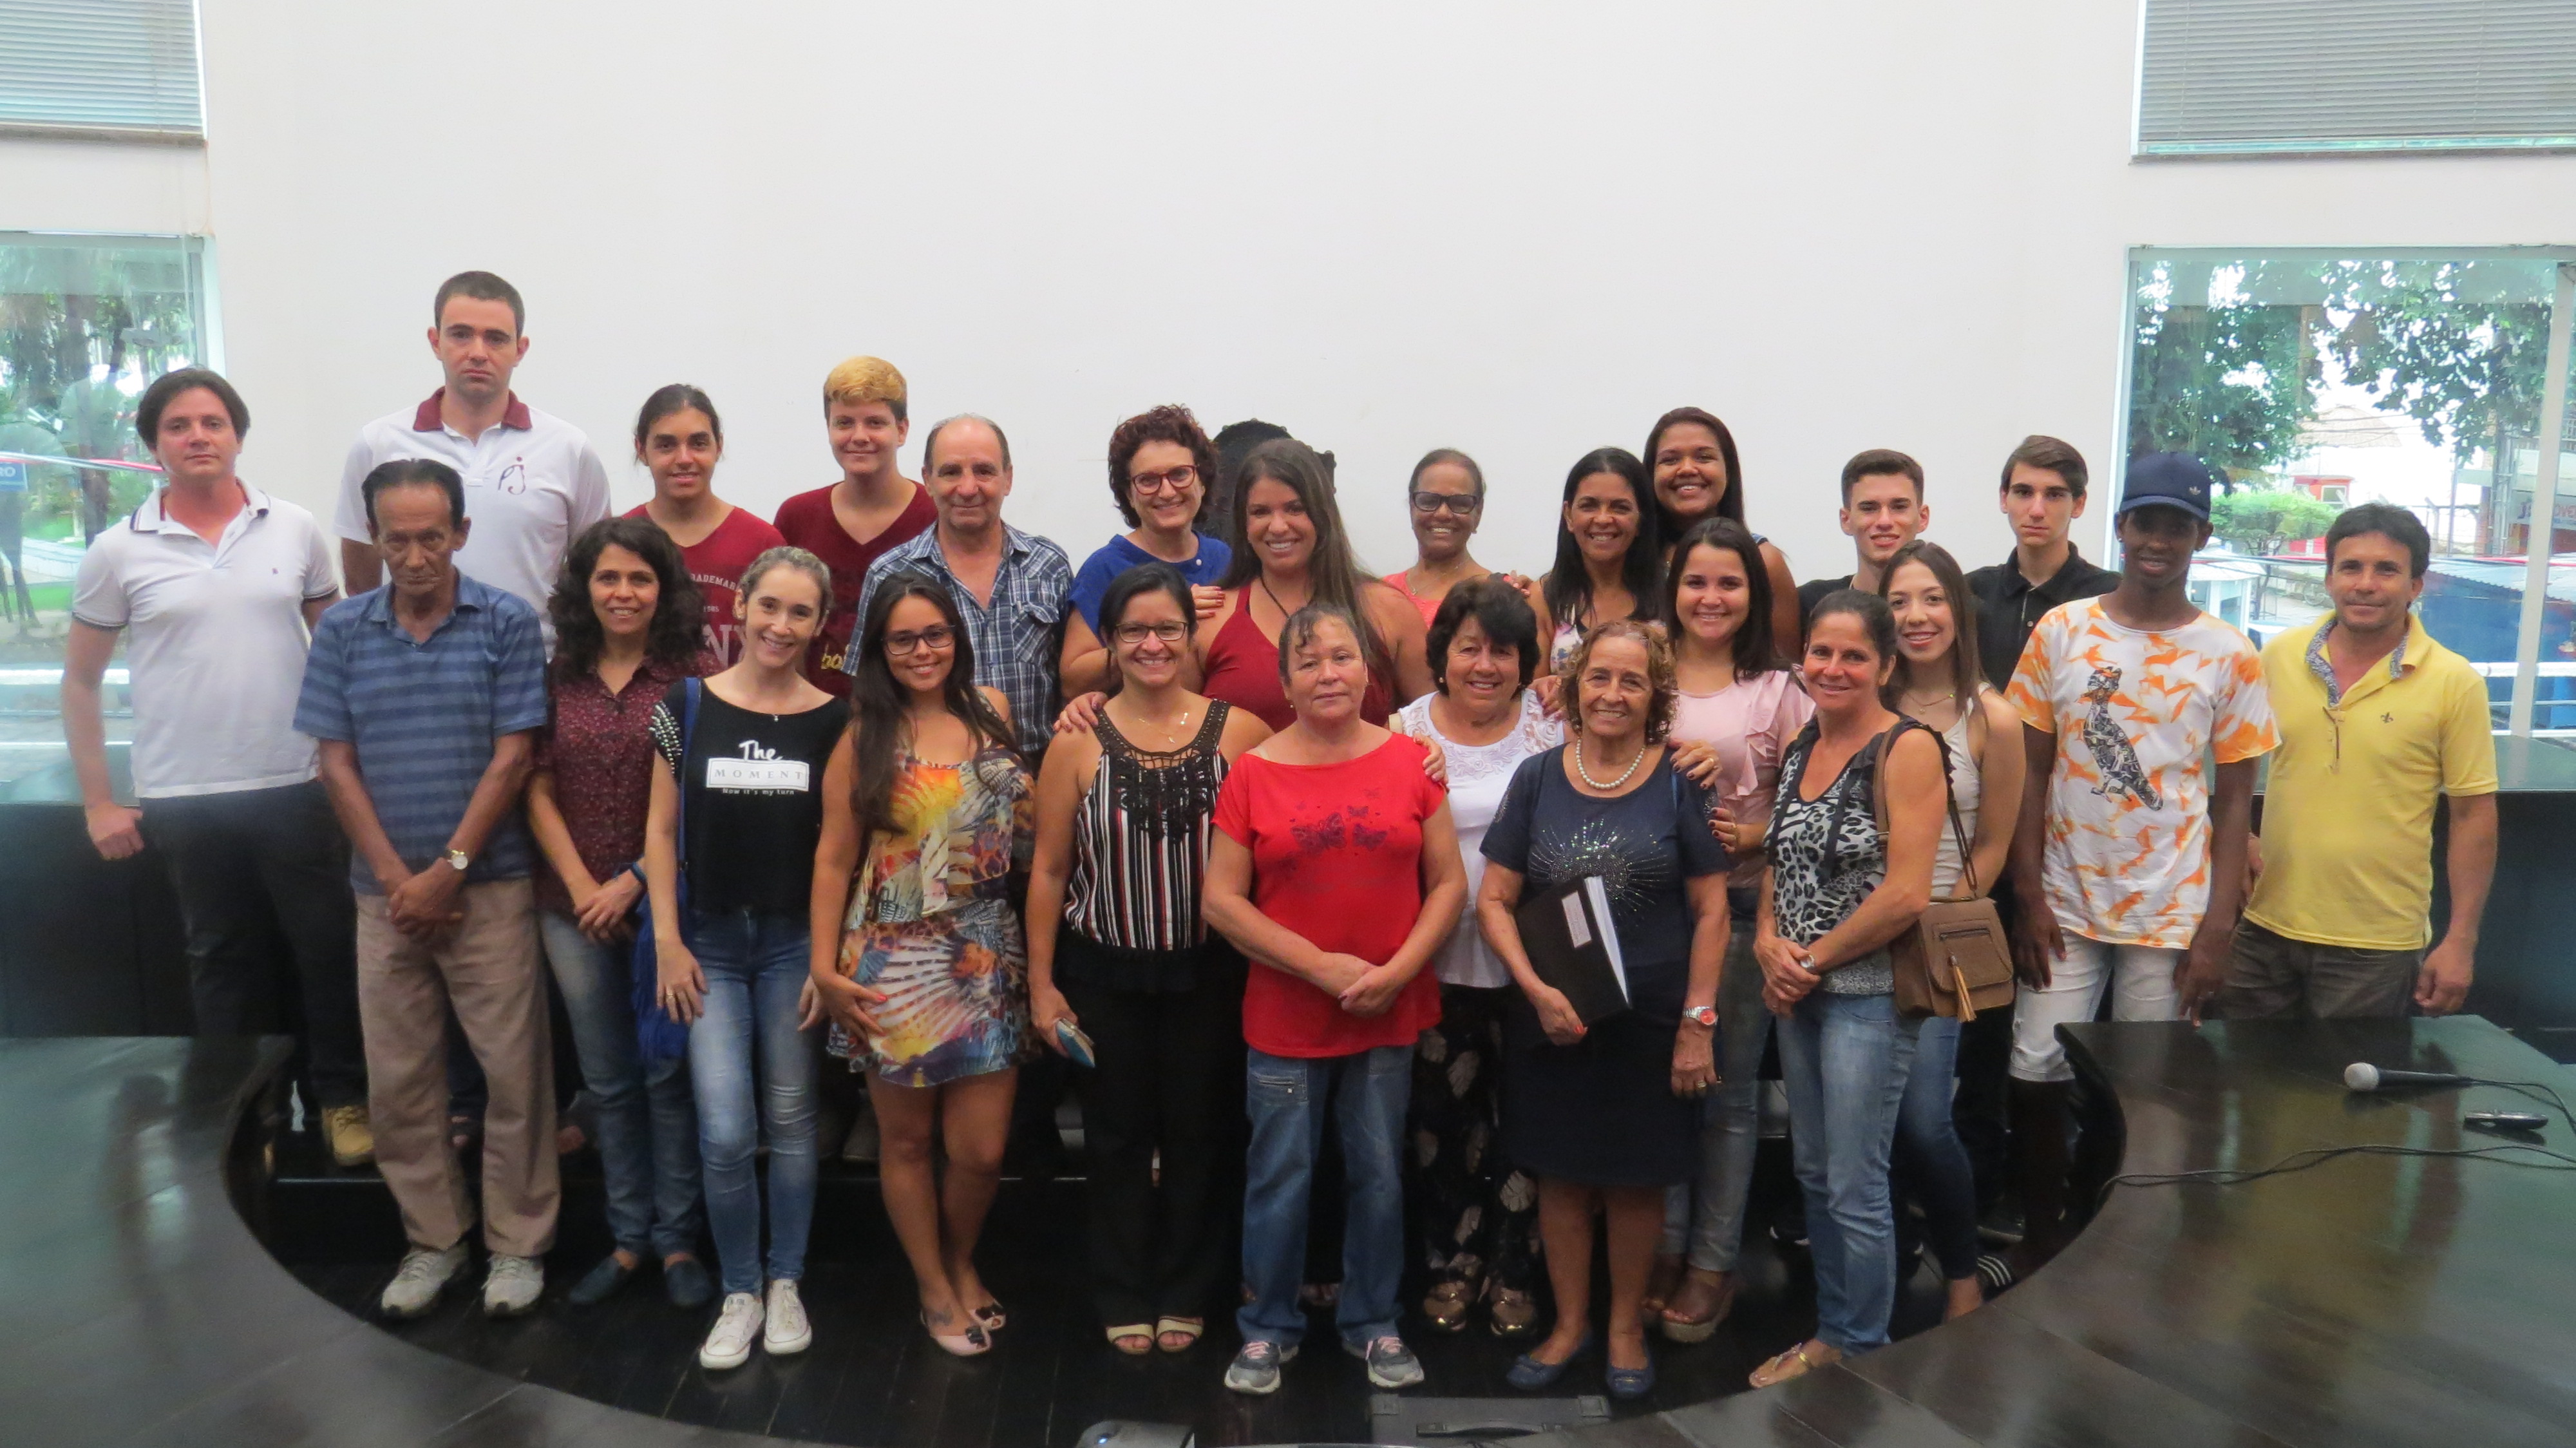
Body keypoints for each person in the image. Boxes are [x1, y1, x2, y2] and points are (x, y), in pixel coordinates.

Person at [64, 368, 370, 1167]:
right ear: (154, 444)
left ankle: (341, 1100)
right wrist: (99, 802)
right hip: (185, 796)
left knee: (326, 952)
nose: (197, 436)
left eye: (212, 422)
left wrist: (353, 765)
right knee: (225, 965)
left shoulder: (293, 528)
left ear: (237, 434)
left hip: (295, 784)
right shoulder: (117, 550)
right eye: (178, 425)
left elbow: (337, 650)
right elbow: (81, 682)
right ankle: (250, 1118)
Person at [294, 458, 556, 1320]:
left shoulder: (506, 622)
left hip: (490, 889)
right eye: (397, 539)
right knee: (401, 1081)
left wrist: (449, 870)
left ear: (461, 534)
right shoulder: (343, 631)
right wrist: (398, 880)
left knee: (514, 1075)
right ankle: (434, 1240)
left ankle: (517, 1246)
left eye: (431, 538)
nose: (414, 557)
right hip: (386, 898)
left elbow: (514, 758)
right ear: (374, 538)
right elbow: (334, 762)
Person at [2003, 453, 2275, 1273]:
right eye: (2146, 521)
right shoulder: (2062, 631)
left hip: (2170, 908)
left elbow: (2235, 801)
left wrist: (2218, 928)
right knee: (2034, 1065)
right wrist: (2026, 894)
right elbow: (2028, 773)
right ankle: (2043, 1235)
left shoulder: (2229, 653)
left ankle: (2121, 1242)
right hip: (2065, 897)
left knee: (2145, 1085)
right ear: (2120, 526)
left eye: (2177, 526)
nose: (2159, 539)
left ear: (2202, 536)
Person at [1203, 604, 1466, 1396]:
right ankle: (1266, 1327)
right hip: (1285, 1015)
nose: (1328, 674)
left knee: (1378, 1172)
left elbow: (1447, 884)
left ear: (1368, 672)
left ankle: (1372, 1320)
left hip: (1387, 1008)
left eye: (1342, 657)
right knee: (1278, 1175)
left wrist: (1397, 971)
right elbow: (1221, 901)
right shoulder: (1253, 773)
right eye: (1309, 661)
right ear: (1285, 682)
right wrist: (1319, 967)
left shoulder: (1413, 762)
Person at [1474, 619, 1730, 1400]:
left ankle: (1623, 1328)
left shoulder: (1680, 781)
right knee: (1559, 1178)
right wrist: (1536, 990)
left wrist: (1696, 1024)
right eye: (1599, 677)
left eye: (1632, 680)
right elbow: (1495, 900)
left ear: (1655, 697)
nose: (1613, 693)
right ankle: (1568, 1325)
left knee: (1635, 1183)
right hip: (1554, 1016)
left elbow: (1712, 911)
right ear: (1574, 686)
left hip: (1651, 1021)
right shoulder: (1536, 778)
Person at [1027, 564, 1271, 1355]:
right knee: (1115, 1137)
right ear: (1109, 641)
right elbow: (1049, 871)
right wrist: (1041, 985)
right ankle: (1123, 1287)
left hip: (1212, 973)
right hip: (1104, 973)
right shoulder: (1075, 740)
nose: (1152, 643)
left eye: (1167, 627)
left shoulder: (1241, 733)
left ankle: (1190, 1287)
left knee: (1204, 1134)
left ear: (1190, 635)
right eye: (1133, 630)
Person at [810, 574, 1034, 1358]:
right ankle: (933, 1284)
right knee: (905, 1143)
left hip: (984, 951)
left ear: (956, 637)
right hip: (892, 957)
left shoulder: (991, 709)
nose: (922, 650)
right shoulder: (864, 734)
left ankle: (960, 1257)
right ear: (879, 649)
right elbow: (833, 857)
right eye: (902, 638)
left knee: (981, 1150)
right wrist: (824, 968)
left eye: (935, 633)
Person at [644, 546, 848, 1370]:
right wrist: (667, 942)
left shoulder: (836, 720)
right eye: (770, 605)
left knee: (793, 1123)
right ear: (742, 607)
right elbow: (659, 831)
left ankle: (785, 1280)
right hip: (709, 946)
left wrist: (826, 959)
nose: (781, 625)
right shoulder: (687, 704)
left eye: (800, 612)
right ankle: (739, 1290)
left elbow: (839, 850)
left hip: (795, 943)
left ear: (819, 624)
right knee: (726, 1127)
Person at [1747, 590, 1946, 1387]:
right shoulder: (1804, 741)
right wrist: (1766, 941)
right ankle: (1832, 1335)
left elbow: (1906, 894)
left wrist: (1808, 961)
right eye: (1821, 652)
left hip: (1865, 996)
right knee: (1814, 1173)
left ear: (1886, 665)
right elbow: (1779, 857)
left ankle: (1860, 1350)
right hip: (1799, 991)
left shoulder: (1908, 748)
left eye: (1854, 655)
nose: (1833, 668)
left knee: (1856, 1185)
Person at [524, 518, 714, 1311]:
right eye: (609, 578)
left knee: (667, 1076)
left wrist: (631, 883)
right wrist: (582, 888)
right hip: (569, 910)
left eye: (640, 578)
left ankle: (678, 1241)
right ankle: (628, 1237)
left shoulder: (693, 677)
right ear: (585, 588)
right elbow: (534, 784)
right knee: (607, 1082)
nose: (624, 592)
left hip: (663, 905)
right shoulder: (557, 673)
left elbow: (704, 796)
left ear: (664, 590)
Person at [2224, 503, 2497, 1019]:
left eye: (2386, 570)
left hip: (2375, 948)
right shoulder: (2279, 657)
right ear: (2329, 578)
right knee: (2243, 1069)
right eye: (2351, 567)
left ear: (2416, 585)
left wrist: (2461, 940)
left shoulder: (2454, 682)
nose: (2365, 584)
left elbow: (2473, 817)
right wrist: (2243, 841)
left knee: (2349, 1074)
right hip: (2263, 929)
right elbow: (2235, 766)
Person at [1649, 517, 1812, 1342]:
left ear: (1753, 593)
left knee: (1727, 1094)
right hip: (1649, 912)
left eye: (1728, 582)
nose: (1709, 597)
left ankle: (1712, 1262)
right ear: (1671, 589)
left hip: (1745, 914)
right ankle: (1664, 1246)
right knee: (1660, 1089)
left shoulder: (1780, 690)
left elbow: (1816, 808)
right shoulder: (1643, 672)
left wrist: (1747, 831)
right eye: (1695, 581)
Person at [1391, 578, 1559, 1339]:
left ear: (1525, 661)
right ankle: (1452, 1263)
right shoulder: (1401, 730)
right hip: (1435, 961)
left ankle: (1515, 1269)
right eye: (1469, 648)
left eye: (1502, 650)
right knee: (1442, 1128)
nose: (1485, 665)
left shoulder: (1552, 728)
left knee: (1527, 1122)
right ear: (1442, 655)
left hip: (1531, 966)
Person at [1879, 540, 2023, 1321]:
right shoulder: (1864, 697)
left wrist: (1934, 924)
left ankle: (1962, 1273)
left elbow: (1994, 843)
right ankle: (1891, 1261)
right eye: (1899, 601)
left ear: (1958, 612)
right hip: (1855, 938)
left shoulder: (1992, 716)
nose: (1916, 616)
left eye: (1931, 598)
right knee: (1867, 1123)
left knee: (1924, 1118)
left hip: (1934, 945)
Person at [333, 271, 611, 614]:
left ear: (520, 349)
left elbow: (597, 569)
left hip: (536, 648)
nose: (478, 353)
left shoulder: (569, 449)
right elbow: (361, 578)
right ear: (436, 341)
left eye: (496, 339)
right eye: (461, 335)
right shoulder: (378, 444)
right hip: (412, 649)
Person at [847, 415, 1072, 759]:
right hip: (927, 779)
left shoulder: (1048, 565)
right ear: (928, 480)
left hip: (1040, 772)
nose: (968, 489)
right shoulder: (890, 573)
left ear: (1008, 479)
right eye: (951, 472)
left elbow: (1070, 682)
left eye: (984, 471)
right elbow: (867, 692)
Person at [1190, 437, 1434, 729]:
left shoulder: (1389, 611)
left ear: (1323, 513)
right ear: (1243, 522)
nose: (1278, 527)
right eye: (1260, 512)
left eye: (1295, 508)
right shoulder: (1209, 618)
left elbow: (1437, 726)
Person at [773, 356, 938, 694]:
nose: (859, 436)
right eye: (844, 423)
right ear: (828, 428)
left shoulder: (936, 515)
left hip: (911, 708)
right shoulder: (797, 517)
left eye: (875, 423)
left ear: (902, 430)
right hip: (814, 707)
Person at [1059, 405, 1233, 697]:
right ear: (1129, 493)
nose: (1167, 492)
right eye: (1148, 480)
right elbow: (1073, 680)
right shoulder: (1105, 567)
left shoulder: (1224, 558)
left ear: (1203, 482)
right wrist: (1167, 619)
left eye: (1180, 474)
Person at [624, 386, 785, 669]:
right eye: (666, 446)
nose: (684, 459)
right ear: (641, 450)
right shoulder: (621, 543)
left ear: (718, 446)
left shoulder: (762, 543)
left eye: (698, 444)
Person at [1642, 407, 1801, 658]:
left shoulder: (1764, 561)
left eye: (1704, 457)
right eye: (1670, 460)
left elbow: (1788, 667)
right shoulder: (1630, 559)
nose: (1687, 469)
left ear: (1728, 469)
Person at [1964, 436, 2118, 693]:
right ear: (2004, 498)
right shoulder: (1969, 592)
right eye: (2023, 493)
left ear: (2079, 504)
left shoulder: (2110, 597)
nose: (2036, 510)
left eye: (2054, 495)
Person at [1533, 448, 1660, 677]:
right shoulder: (1543, 597)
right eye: (1589, 506)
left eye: (1620, 507)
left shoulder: (1673, 593)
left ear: (1641, 519)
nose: (1603, 519)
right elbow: (1530, 693)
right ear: (1569, 515)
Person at [1383, 448, 1531, 627]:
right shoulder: (1379, 592)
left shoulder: (1503, 595)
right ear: (1411, 506)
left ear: (1479, 512)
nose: (1443, 514)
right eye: (1429, 501)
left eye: (1460, 503)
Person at [1795, 450, 1929, 630]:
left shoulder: (1957, 605)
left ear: (1923, 517)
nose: (1884, 522)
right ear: (1846, 520)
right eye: (1869, 508)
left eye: (1899, 507)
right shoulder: (1810, 604)